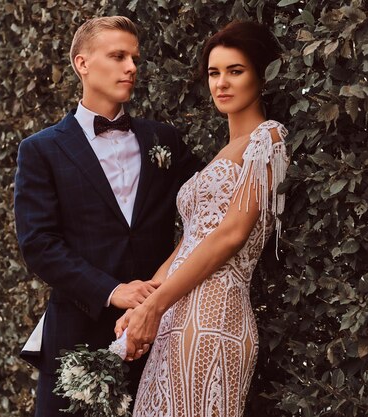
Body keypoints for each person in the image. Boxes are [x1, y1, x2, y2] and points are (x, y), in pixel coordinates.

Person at [13, 16, 201, 417]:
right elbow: (39, 245)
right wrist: (113, 291)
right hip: (75, 340)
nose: (131, 67)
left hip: (159, 333)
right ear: (83, 64)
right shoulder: (41, 150)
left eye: (134, 58)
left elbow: (205, 208)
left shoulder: (162, 139)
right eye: (118, 56)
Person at [114, 21, 290, 417]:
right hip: (173, 313)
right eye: (214, 72)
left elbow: (230, 235)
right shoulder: (219, 154)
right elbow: (190, 240)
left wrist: (154, 307)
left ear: (262, 77)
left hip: (216, 316)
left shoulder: (270, 137)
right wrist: (143, 300)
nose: (221, 83)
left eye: (235, 71)